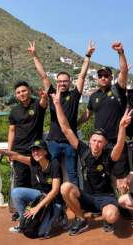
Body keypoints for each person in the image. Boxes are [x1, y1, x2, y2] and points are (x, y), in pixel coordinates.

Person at [51, 86, 133, 235]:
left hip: (106, 198)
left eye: (100, 142)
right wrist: (57, 105)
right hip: (87, 197)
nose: (96, 144)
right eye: (94, 140)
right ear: (90, 141)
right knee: (65, 187)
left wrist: (122, 128)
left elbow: (120, 146)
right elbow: (66, 129)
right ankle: (82, 221)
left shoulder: (109, 156)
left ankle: (106, 219)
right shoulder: (84, 150)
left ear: (105, 143)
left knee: (113, 216)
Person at [26, 40, 95, 188]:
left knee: (73, 174)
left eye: (65, 81)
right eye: (59, 81)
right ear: (56, 83)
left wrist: (87, 56)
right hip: (53, 143)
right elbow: (44, 75)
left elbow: (82, 76)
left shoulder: (75, 96)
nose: (62, 83)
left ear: (70, 83)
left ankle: (75, 203)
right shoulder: (51, 94)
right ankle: (56, 204)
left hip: (71, 142)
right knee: (53, 174)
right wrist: (34, 56)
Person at [77, 42, 131, 217]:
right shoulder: (94, 96)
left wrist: (120, 52)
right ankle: (102, 204)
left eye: (106, 75)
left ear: (111, 78)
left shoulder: (118, 90)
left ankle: (123, 206)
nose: (103, 78)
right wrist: (75, 125)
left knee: (121, 177)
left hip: (116, 142)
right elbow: (88, 114)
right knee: (100, 175)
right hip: (99, 143)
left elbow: (124, 71)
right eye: (100, 76)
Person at [0, 136, 63, 236]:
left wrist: (37, 207)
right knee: (15, 192)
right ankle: (24, 221)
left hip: (53, 201)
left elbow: (55, 191)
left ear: (45, 151)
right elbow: (16, 155)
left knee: (41, 233)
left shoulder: (54, 166)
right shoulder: (34, 163)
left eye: (38, 150)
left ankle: (61, 214)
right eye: (33, 151)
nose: (35, 153)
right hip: (40, 195)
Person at [8, 81, 48, 220]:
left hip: (34, 151)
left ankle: (34, 208)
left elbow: (44, 102)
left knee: (34, 181)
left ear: (29, 91)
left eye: (24, 91)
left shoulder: (37, 105)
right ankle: (20, 210)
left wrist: (45, 97)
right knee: (20, 180)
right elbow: (12, 131)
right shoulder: (14, 111)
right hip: (18, 150)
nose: (21, 94)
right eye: (19, 92)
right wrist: (9, 151)